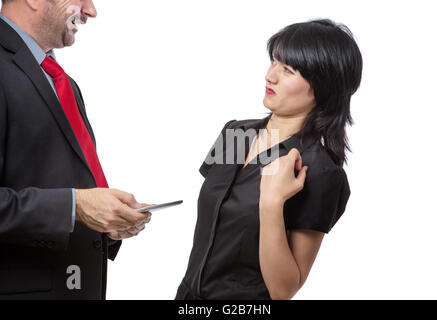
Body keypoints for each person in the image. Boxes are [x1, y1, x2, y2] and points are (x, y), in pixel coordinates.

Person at [176, 19, 363, 300]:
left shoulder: (321, 172)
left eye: (287, 70)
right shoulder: (235, 133)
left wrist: (272, 202)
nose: (270, 76)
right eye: (274, 61)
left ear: (324, 87)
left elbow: (283, 290)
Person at [0, 0, 151, 299]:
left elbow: (62, 182)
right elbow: (73, 201)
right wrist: (75, 207)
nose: (91, 10)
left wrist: (106, 222)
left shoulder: (60, 80)